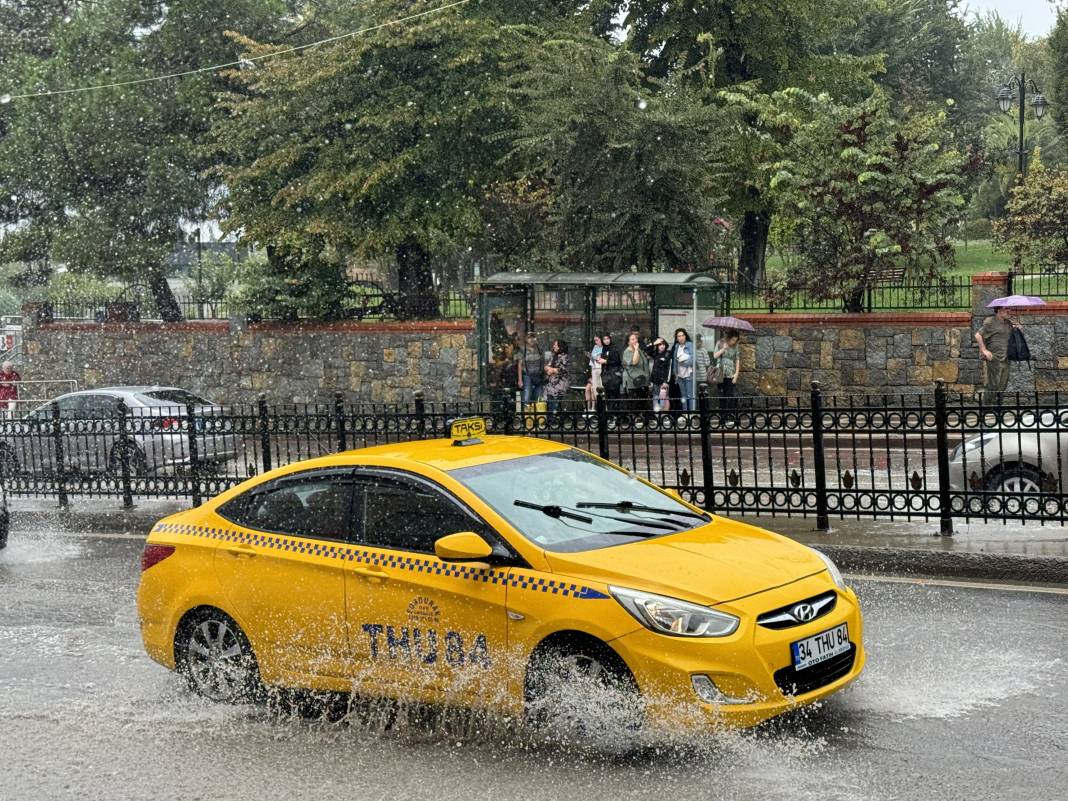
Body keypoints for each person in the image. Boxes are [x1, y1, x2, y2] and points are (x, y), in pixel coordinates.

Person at [975, 306, 1018, 405]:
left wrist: (1017, 328)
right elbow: (978, 335)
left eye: (1010, 309)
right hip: (994, 358)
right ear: (999, 310)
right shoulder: (990, 322)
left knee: (1003, 384)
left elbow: (1011, 337)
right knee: (993, 384)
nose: (1009, 311)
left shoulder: (1008, 323)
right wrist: (984, 350)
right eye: (1006, 309)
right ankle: (985, 407)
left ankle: (998, 407)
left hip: (1006, 357)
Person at [714, 330, 742, 415]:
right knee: (722, 395)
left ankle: (730, 416)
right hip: (721, 372)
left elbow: (737, 360)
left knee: (730, 395)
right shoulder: (720, 343)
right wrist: (723, 349)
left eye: (735, 340)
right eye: (733, 340)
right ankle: (722, 416)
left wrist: (736, 374)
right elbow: (715, 356)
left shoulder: (736, 346)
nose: (734, 342)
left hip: (731, 373)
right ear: (729, 338)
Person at [621, 332, 650, 410]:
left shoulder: (638, 349)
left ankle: (640, 418)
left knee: (641, 403)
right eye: (632, 339)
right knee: (635, 403)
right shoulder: (628, 351)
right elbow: (634, 362)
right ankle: (634, 418)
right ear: (628, 342)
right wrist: (636, 349)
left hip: (642, 380)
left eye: (636, 338)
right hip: (633, 381)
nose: (635, 340)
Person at [671, 328, 695, 411]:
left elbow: (693, 359)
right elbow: (675, 360)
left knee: (689, 395)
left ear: (685, 336)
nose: (681, 337)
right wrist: (675, 373)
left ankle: (691, 413)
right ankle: (685, 413)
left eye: (682, 335)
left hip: (689, 374)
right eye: (679, 336)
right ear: (676, 338)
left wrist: (683, 363)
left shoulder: (690, 344)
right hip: (680, 375)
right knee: (683, 396)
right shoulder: (677, 346)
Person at [544, 339, 571, 414]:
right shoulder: (553, 356)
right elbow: (547, 366)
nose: (554, 346)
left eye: (555, 345)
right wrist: (548, 368)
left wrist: (552, 370)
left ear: (560, 347)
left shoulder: (565, 357)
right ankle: (551, 418)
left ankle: (555, 419)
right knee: (549, 402)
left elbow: (564, 370)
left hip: (560, 384)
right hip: (551, 384)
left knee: (556, 403)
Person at [518, 331, 545, 406]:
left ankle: (537, 415)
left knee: (539, 398)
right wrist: (520, 380)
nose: (532, 339)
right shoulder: (523, 349)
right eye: (529, 337)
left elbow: (544, 362)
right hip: (527, 376)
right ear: (526, 339)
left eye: (533, 337)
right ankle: (527, 416)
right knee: (527, 397)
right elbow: (519, 365)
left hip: (539, 376)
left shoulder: (540, 348)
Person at [649, 337, 673, 412]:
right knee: (655, 397)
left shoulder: (667, 354)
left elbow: (668, 368)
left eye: (663, 344)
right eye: (660, 345)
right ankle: (657, 414)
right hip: (655, 380)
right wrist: (654, 343)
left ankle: (664, 415)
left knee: (664, 397)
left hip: (663, 380)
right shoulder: (656, 354)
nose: (662, 346)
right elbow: (646, 349)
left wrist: (666, 381)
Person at [599, 333, 623, 403]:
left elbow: (617, 361)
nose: (606, 341)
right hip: (606, 376)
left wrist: (606, 361)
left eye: (607, 339)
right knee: (607, 395)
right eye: (604, 339)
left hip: (614, 375)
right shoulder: (603, 349)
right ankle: (609, 411)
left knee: (615, 394)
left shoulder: (614, 348)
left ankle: (615, 411)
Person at [584, 335, 603, 412]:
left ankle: (595, 407)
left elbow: (599, 359)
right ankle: (589, 408)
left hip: (600, 370)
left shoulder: (604, 348)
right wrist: (590, 356)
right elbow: (592, 361)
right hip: (594, 370)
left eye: (597, 340)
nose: (596, 342)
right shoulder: (595, 347)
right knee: (589, 388)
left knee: (595, 389)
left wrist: (594, 357)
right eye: (595, 340)